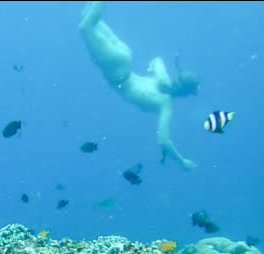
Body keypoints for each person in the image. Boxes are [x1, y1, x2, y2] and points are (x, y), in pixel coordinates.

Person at [79, 1, 199, 170]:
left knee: (87, 18)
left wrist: (155, 71)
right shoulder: (165, 104)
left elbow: (157, 60)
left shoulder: (163, 82)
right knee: (85, 26)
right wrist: (182, 162)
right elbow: (163, 140)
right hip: (117, 71)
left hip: (125, 57)